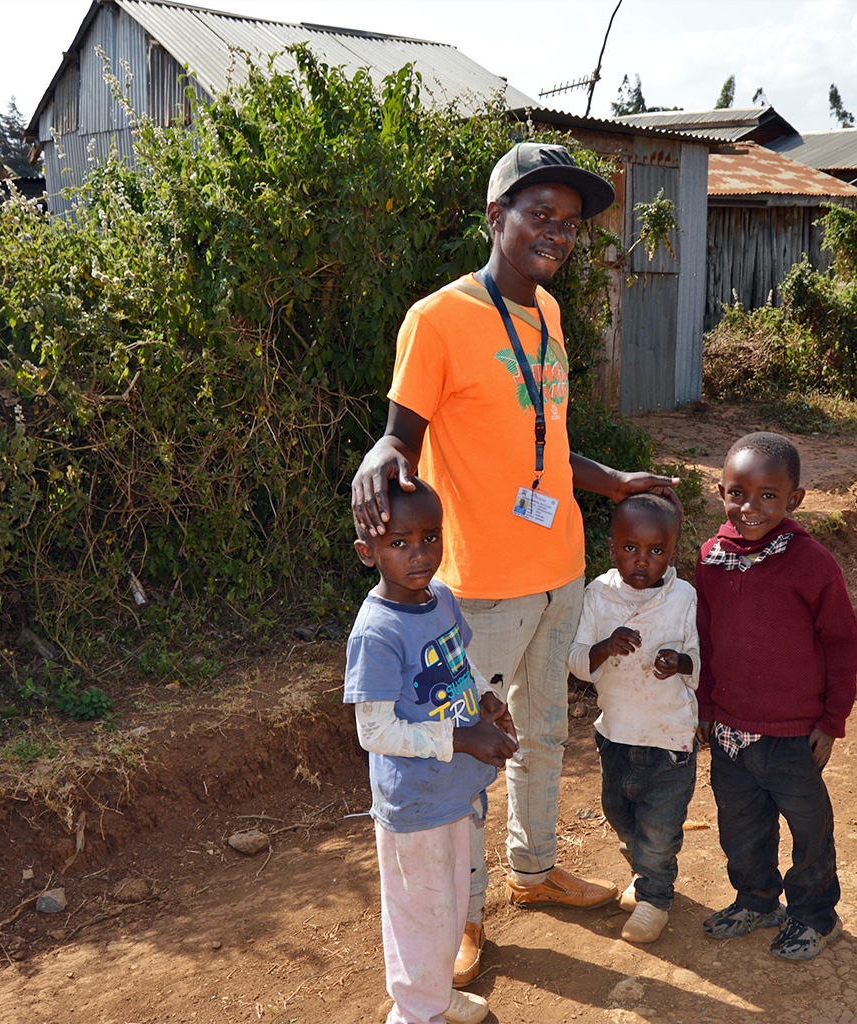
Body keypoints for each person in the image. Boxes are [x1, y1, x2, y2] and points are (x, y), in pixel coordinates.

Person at [351, 141, 679, 986]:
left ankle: (533, 877)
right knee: (469, 750)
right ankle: (463, 919)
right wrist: (379, 455)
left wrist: (608, 483)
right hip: (481, 589)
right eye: (541, 215)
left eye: (569, 224)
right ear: (496, 218)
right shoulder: (439, 318)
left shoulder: (551, 317)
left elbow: (546, 442)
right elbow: (401, 434)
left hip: (559, 564)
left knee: (542, 734)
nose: (558, 235)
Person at [344, 477, 518, 1024]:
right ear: (366, 552)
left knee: (448, 910)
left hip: (452, 791)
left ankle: (434, 995)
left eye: (430, 537)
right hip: (414, 804)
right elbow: (374, 732)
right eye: (399, 542)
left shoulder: (440, 599)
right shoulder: (377, 632)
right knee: (420, 914)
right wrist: (463, 738)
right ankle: (415, 1014)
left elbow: (456, 665)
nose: (419, 554)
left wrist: (484, 703)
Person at [694, 431, 857, 961]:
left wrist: (831, 721)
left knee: (810, 828)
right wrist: (705, 708)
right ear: (720, 491)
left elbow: (842, 643)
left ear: (795, 499)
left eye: (769, 495)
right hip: (730, 731)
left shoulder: (811, 563)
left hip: (793, 736)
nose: (750, 506)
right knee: (740, 823)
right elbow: (702, 637)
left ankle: (814, 914)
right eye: (737, 492)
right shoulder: (710, 559)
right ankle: (757, 899)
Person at [567, 493, 700, 944]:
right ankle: (646, 875)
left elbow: (704, 662)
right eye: (630, 548)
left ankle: (655, 900)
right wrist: (604, 647)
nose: (642, 561)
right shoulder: (597, 595)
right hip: (617, 735)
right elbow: (576, 659)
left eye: (656, 551)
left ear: (672, 552)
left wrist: (681, 663)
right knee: (620, 814)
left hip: (670, 739)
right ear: (611, 547)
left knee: (660, 828)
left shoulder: (684, 598)